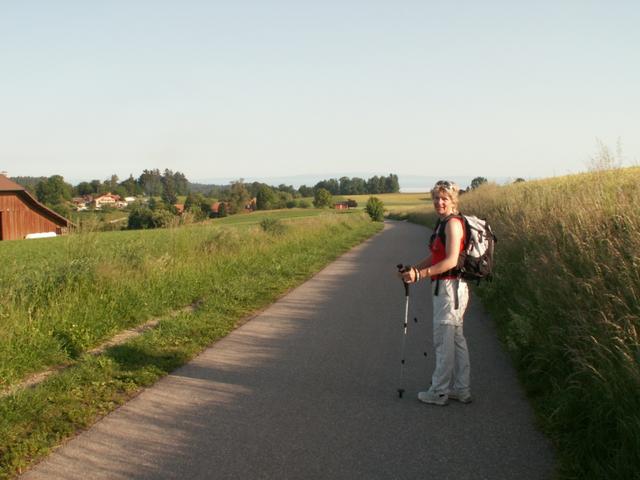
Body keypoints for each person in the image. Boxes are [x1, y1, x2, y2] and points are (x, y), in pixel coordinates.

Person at [401, 180, 472, 406]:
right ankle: (461, 389)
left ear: (453, 200)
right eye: (436, 198)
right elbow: (436, 256)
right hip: (450, 289)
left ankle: (439, 391)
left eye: (444, 198)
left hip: (449, 290)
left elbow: (450, 260)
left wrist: (421, 275)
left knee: (444, 342)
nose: (439, 202)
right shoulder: (443, 223)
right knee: (456, 340)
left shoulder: (452, 224)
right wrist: (414, 269)